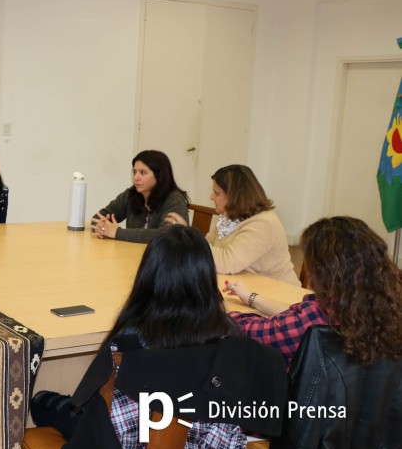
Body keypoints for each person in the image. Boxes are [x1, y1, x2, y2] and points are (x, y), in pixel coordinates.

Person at [32, 226, 287, 449]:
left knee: (43, 401)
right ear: (206, 277)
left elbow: (101, 432)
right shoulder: (230, 341)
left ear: (149, 276)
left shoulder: (129, 345)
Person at [226, 216, 402, 368]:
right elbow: (294, 313)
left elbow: (252, 331)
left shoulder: (314, 319)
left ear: (323, 271)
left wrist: (217, 308)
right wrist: (251, 297)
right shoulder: (382, 304)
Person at [168, 164, 299, 285]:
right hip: (247, 287)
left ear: (234, 196)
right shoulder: (228, 217)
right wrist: (189, 237)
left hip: (279, 297)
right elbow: (207, 244)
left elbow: (227, 263)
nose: (211, 197)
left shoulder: (263, 223)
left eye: (217, 193)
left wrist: (188, 236)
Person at [90, 150, 188, 243]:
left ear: (159, 175)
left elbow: (167, 236)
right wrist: (101, 226)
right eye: (134, 172)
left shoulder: (175, 199)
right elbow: (99, 217)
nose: (136, 177)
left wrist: (117, 233)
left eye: (143, 172)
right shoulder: (131, 194)